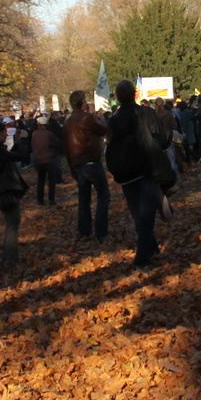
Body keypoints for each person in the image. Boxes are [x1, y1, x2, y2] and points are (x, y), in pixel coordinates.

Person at [105, 81, 167, 267]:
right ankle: (142, 259)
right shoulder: (146, 113)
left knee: (138, 214)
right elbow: (162, 139)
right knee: (146, 215)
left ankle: (152, 248)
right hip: (145, 168)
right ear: (134, 94)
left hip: (125, 172)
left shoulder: (113, 120)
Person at [0, 121, 31, 271]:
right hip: (5, 189)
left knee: (12, 224)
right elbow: (19, 156)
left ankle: (8, 259)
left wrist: (16, 143)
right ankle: (11, 262)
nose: (5, 135)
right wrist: (22, 140)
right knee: (12, 225)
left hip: (5, 188)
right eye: (4, 132)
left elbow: (10, 156)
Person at [63, 90, 109, 241]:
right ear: (83, 102)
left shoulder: (68, 121)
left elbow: (67, 147)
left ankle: (84, 230)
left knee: (84, 198)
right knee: (103, 195)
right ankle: (101, 231)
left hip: (78, 163)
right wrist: (96, 116)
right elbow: (103, 130)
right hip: (91, 161)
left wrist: (71, 167)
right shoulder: (87, 118)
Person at [30, 114, 63, 206]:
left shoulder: (34, 134)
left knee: (40, 180)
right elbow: (56, 143)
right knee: (51, 180)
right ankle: (51, 199)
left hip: (39, 160)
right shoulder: (49, 134)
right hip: (49, 159)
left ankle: (40, 200)